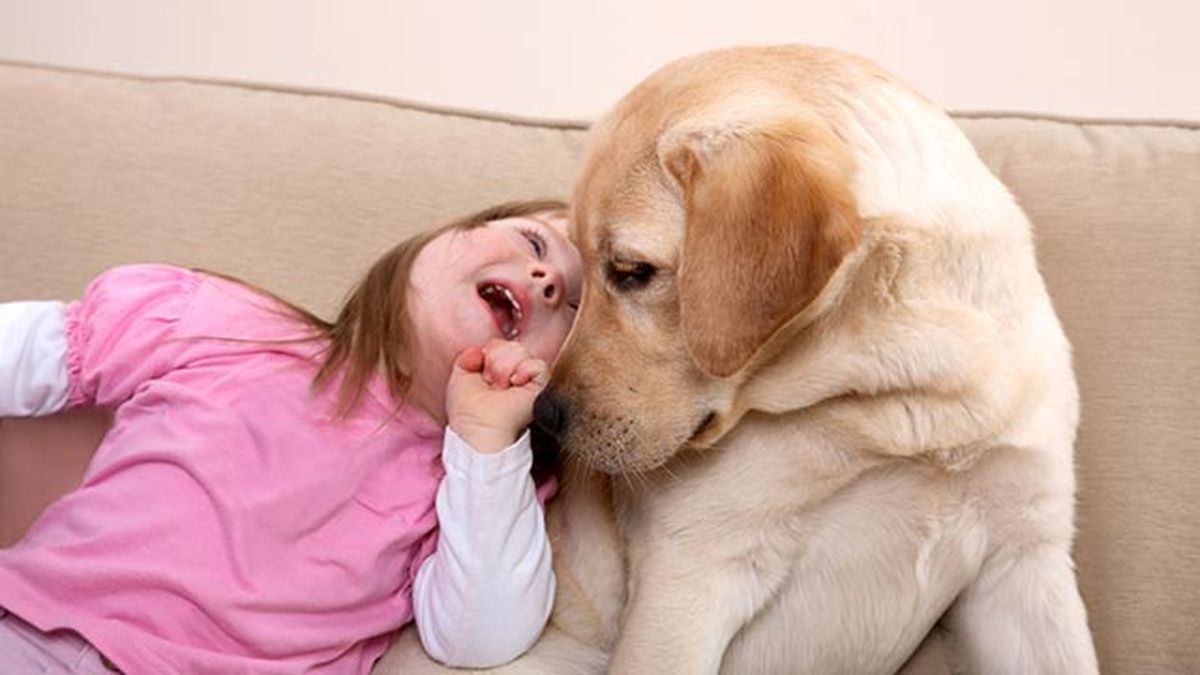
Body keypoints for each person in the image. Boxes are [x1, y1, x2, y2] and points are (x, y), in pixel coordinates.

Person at [0, 199, 582, 673]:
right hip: (31, 630)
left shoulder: (471, 484)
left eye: (576, 310)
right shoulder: (225, 324)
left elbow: (479, 638)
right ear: (445, 235)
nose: (548, 279)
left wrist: (485, 442)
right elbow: (24, 352)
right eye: (535, 242)